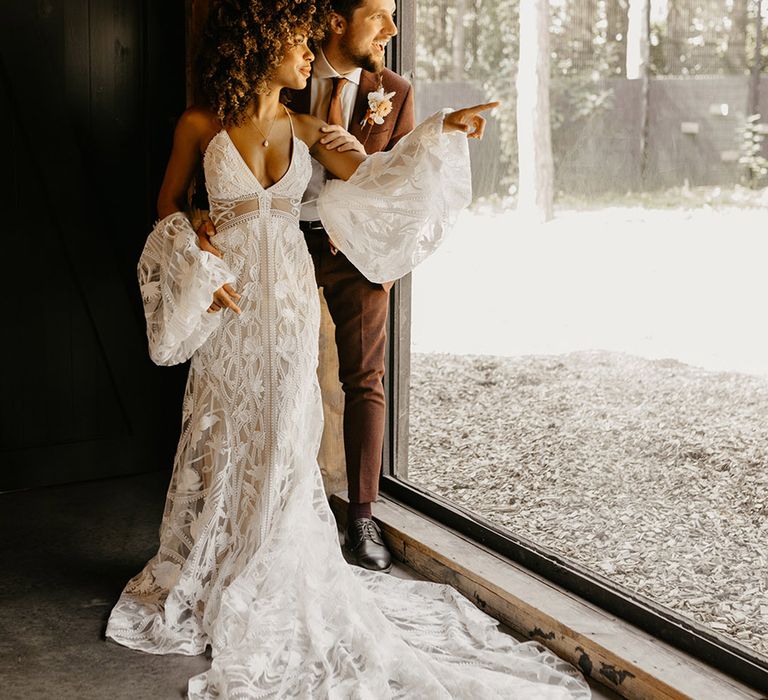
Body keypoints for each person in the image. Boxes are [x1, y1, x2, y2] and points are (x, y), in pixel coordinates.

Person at [106, 1, 591, 697]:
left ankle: (271, 563)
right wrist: (198, 246)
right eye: (298, 45)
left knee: (285, 432)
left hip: (294, 303)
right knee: (226, 428)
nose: (310, 56)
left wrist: (437, 134)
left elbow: (376, 178)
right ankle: (221, 560)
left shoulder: (307, 127)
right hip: (233, 304)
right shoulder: (199, 124)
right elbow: (166, 206)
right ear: (260, 43)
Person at [198, 0, 415, 573]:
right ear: (338, 22)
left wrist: (442, 135)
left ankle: (361, 516)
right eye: (378, 15)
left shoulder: (392, 88)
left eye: (395, 15)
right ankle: (247, 510)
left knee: (364, 375)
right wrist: (196, 230)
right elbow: (212, 168)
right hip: (275, 246)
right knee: (258, 376)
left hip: (352, 250)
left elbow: (395, 177)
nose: (390, 29)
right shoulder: (280, 76)